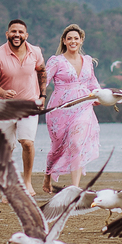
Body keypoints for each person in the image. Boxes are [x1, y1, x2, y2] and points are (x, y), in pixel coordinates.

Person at [0, 18, 47, 195]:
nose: (17, 35)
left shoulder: (35, 52)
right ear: (7, 34)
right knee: (7, 148)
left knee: (27, 143)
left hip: (29, 105)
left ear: (26, 35)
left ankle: (27, 182)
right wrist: (3, 92)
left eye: (20, 32)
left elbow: (41, 71)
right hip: (5, 108)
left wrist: (42, 96)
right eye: (13, 31)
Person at [41, 23, 101, 193]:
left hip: (83, 106)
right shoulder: (56, 61)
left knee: (76, 143)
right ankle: (47, 176)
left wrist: (99, 96)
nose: (73, 41)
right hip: (60, 109)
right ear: (64, 41)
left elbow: (92, 83)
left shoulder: (88, 61)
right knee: (57, 148)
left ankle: (75, 188)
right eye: (69, 38)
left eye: (76, 38)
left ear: (81, 40)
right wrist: (38, 98)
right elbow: (43, 82)